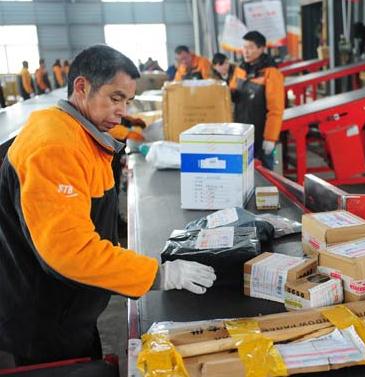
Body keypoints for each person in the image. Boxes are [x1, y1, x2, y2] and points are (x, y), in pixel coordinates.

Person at [0, 44, 216, 366]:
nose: (122, 110)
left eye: (127, 101)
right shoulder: (54, 147)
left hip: (69, 308)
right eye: (115, 98)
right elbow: (69, 251)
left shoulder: (83, 134)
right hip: (39, 322)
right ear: (82, 87)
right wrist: (158, 274)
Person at [230, 31, 284, 170]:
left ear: (261, 49)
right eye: (244, 47)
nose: (246, 52)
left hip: (261, 135)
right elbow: (231, 93)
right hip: (241, 133)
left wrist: (270, 138)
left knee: (264, 178)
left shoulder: (271, 73)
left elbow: (276, 109)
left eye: (250, 47)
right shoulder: (240, 69)